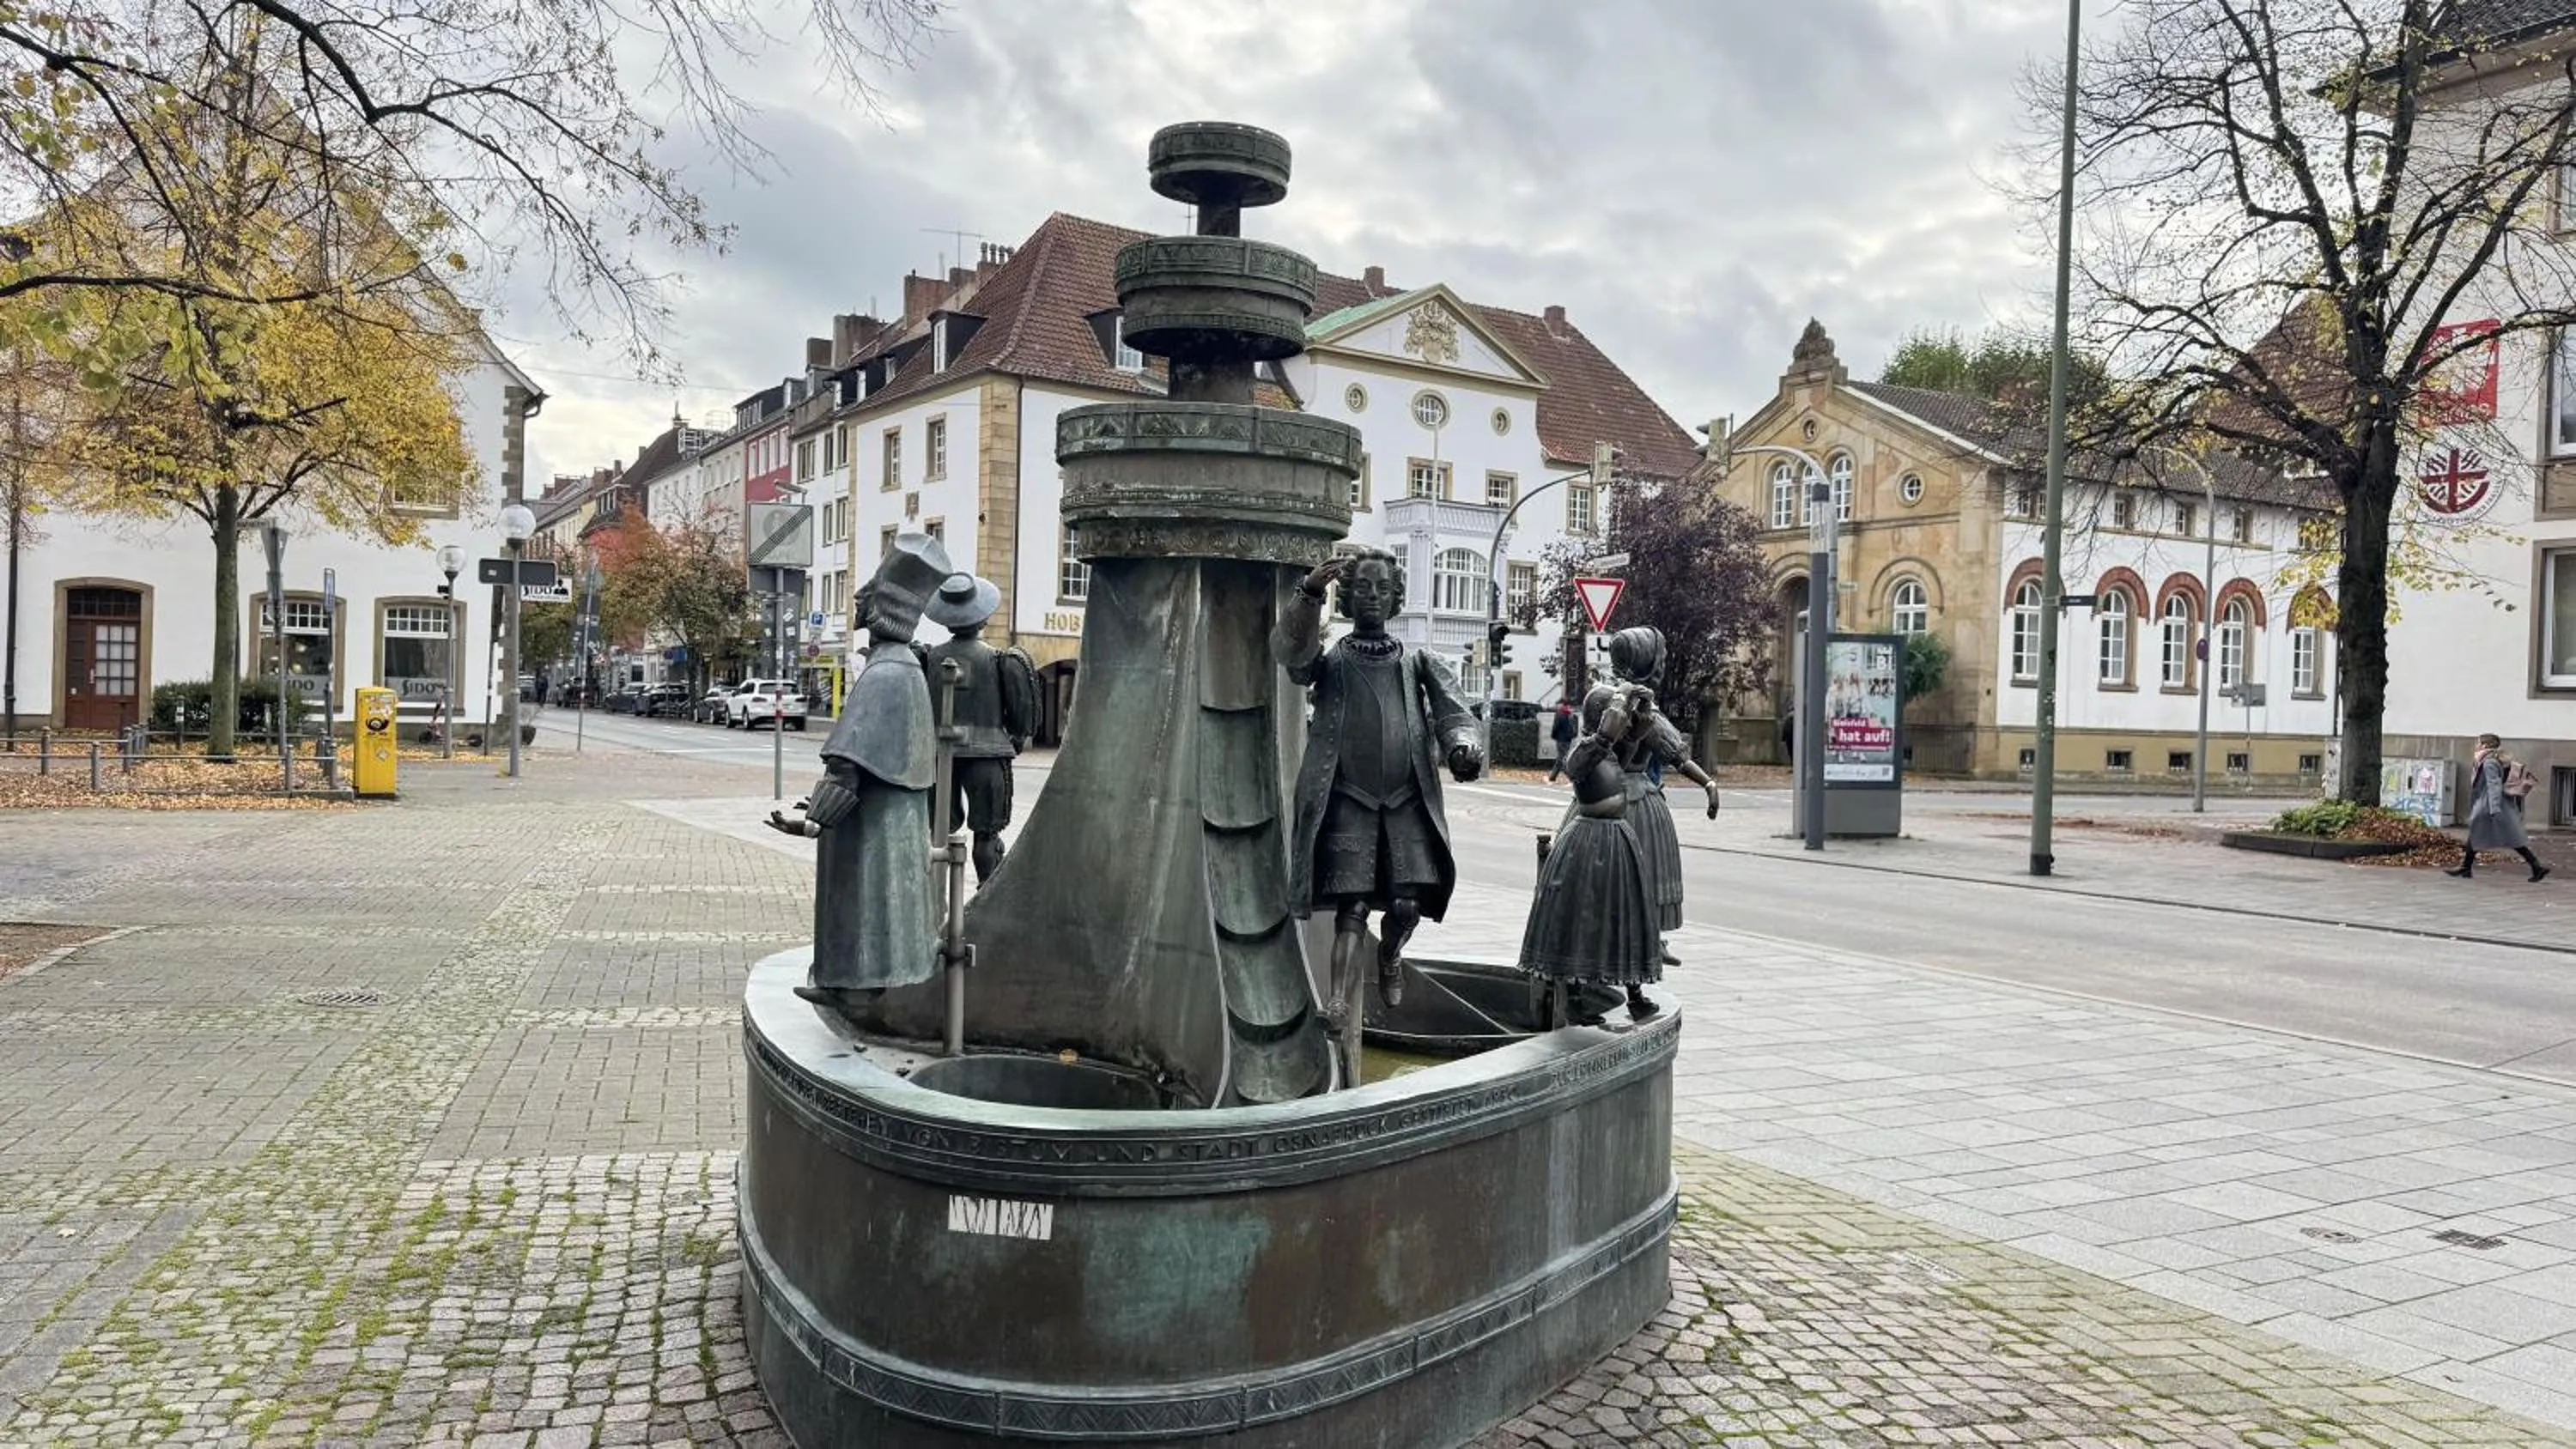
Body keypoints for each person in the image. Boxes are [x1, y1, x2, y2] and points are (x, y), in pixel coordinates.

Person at [1275, 548, 1483, 1019]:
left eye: (1383, 588)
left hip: (1405, 801)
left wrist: (1463, 746)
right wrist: (1309, 595)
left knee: (1406, 905)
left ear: (1395, 599)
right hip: (1350, 798)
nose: (1373, 596)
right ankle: (1337, 1001)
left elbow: (1454, 712)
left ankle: (1390, 954)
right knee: (1351, 908)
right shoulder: (1331, 662)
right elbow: (1291, 655)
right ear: (1348, 596)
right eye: (1363, 588)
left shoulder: (1416, 662)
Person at [768, 534, 951, 1007]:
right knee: (889, 907)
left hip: (871, 825)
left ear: (880, 610)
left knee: (866, 902)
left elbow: (848, 763)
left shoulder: (886, 673)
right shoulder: (906, 667)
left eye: (867, 592)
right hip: (893, 818)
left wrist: (814, 821)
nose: (858, 597)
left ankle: (855, 989)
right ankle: (875, 984)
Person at [1522, 676, 1665, 1023]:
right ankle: (1575, 999)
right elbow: (1579, 765)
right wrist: (1619, 703)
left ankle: (1635, 995)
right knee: (1583, 916)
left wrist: (1642, 711)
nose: (1625, 723)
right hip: (1589, 841)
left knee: (1625, 915)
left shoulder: (1611, 752)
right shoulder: (1584, 751)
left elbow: (1634, 741)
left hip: (1616, 838)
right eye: (1619, 716)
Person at [1585, 627, 1719, 966]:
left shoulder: (1601, 695)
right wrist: (1707, 783)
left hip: (1600, 796)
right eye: (1660, 658)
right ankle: (1643, 939)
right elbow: (1674, 753)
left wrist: (1707, 783)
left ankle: (1626, 937)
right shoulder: (1627, 701)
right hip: (1630, 799)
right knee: (1644, 869)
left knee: (1610, 875)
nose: (1664, 664)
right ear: (1646, 661)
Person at [924, 572, 1040, 885]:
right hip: (988, 754)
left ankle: (931, 899)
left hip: (939, 756)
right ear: (983, 618)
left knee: (936, 832)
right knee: (987, 837)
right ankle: (985, 896)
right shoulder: (1001, 660)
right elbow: (1022, 716)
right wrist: (1015, 739)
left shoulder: (928, 659)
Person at [2448, 732, 2551, 882]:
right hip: (2490, 803)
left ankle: (2537, 867)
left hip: (2490, 804)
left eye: (2478, 743)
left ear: (2485, 745)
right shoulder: (2488, 760)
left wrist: (2494, 808)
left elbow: (2494, 785)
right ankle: (2466, 868)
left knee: (2508, 837)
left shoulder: (2489, 762)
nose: (2476, 745)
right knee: (2483, 835)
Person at [1546, 700, 1579, 781]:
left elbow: (1556, 727)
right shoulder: (1573, 715)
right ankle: (1554, 776)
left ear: (1562, 705)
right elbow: (1576, 729)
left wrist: (1553, 736)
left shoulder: (1559, 714)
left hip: (1560, 739)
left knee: (1561, 758)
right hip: (1568, 739)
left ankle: (1566, 775)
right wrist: (1572, 736)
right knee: (1563, 757)